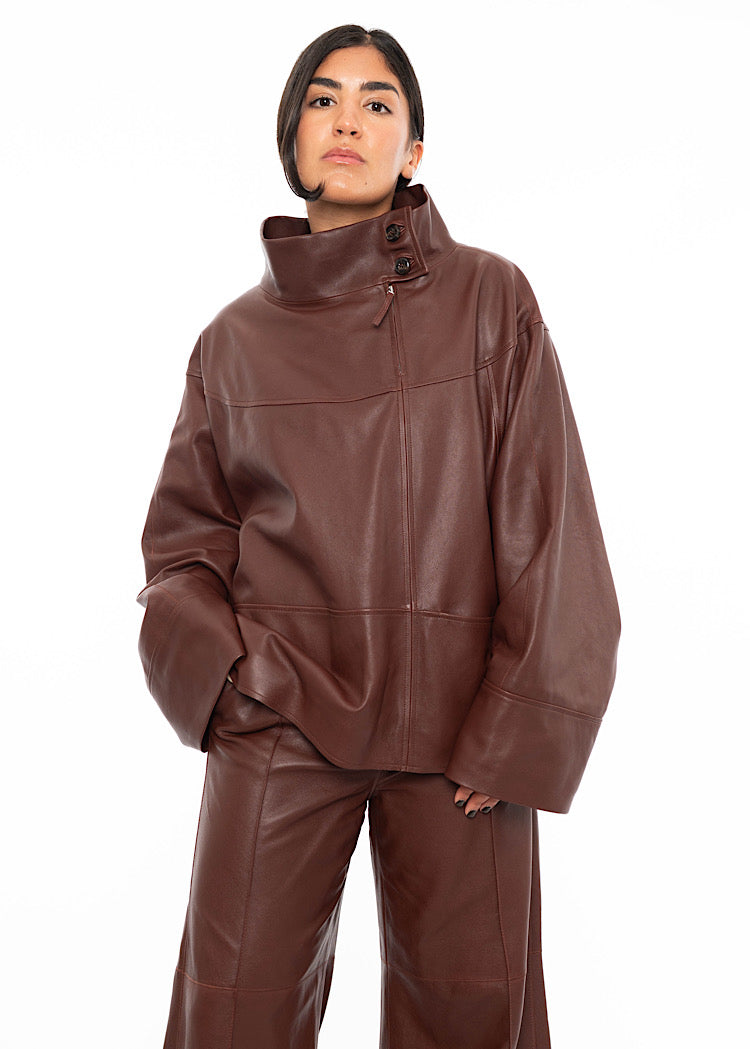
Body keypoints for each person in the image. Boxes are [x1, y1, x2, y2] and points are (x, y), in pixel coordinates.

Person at [136, 23, 621, 1049]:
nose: (346, 119)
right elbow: (183, 547)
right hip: (280, 715)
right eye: (322, 100)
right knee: (232, 1017)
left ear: (413, 149)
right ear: (291, 138)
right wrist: (228, 685)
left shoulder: (491, 298)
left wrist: (516, 727)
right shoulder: (231, 342)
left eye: (376, 102)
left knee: (470, 1023)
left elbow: (552, 522)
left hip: (463, 737)